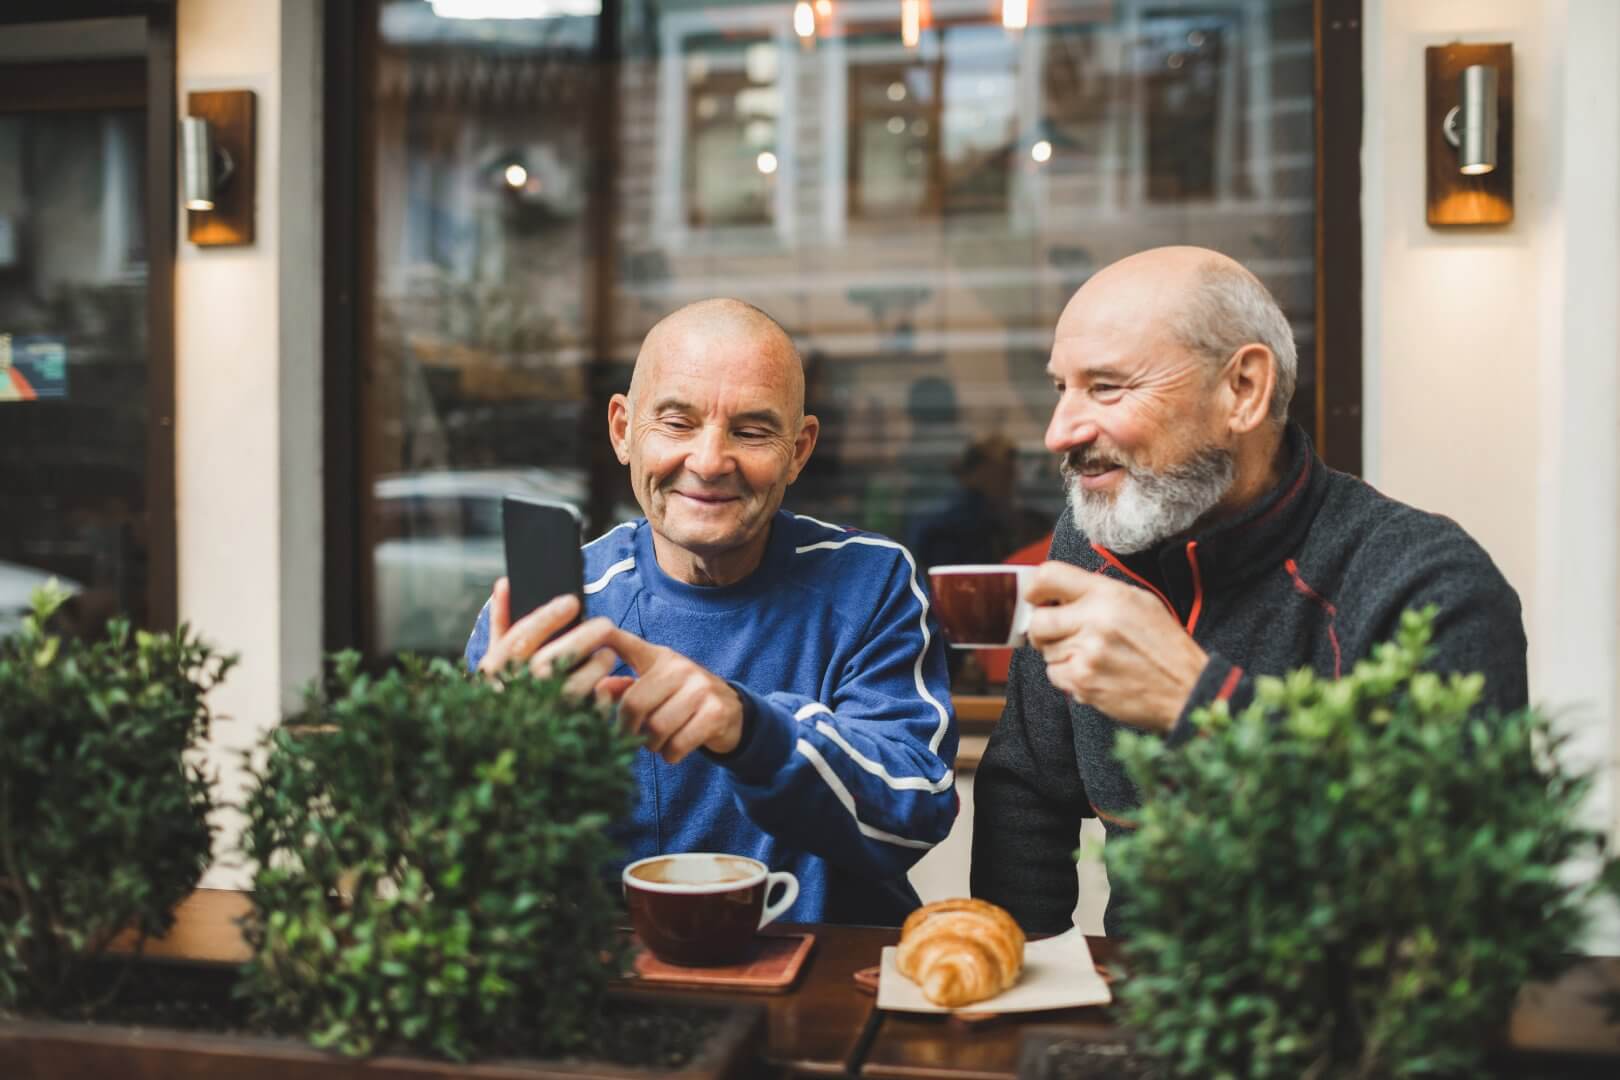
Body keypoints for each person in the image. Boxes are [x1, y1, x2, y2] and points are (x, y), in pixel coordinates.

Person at [970, 247, 1527, 935]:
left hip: (1354, 1021)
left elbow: (1463, 877)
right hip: (1147, 1007)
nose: (1061, 432)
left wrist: (1197, 701)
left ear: (1244, 390)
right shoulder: (1091, 539)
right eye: (1062, 389)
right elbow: (1028, 789)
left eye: (1107, 388)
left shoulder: (1429, 582)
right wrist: (1021, 998)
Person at [465, 299, 957, 926]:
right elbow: (467, 857)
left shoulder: (870, 581)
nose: (709, 461)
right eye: (676, 422)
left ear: (800, 450)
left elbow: (916, 813)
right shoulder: (547, 615)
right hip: (616, 982)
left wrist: (751, 728)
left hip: (827, 980)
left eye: (751, 432)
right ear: (622, 430)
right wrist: (498, 750)